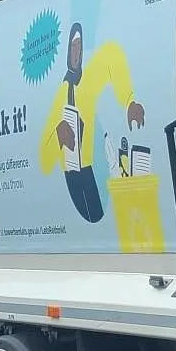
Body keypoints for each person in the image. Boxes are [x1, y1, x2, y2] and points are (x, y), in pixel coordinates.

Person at [40, 22, 145, 223]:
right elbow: (44, 161)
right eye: (73, 47)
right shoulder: (60, 95)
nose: (77, 52)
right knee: (93, 217)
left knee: (100, 214)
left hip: (94, 169)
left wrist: (129, 101)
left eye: (80, 46)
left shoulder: (89, 77)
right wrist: (58, 133)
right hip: (72, 174)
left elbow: (112, 58)